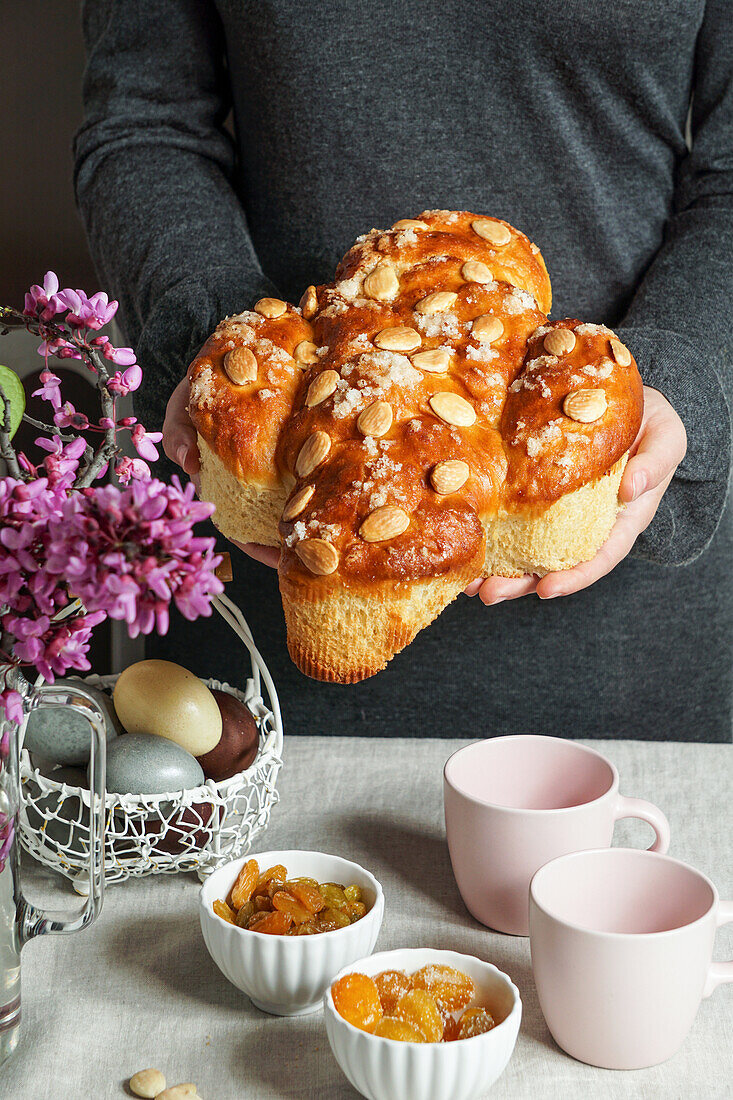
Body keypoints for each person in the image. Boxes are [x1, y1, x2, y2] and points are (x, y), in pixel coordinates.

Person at [74, 1, 732, 742]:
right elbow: (145, 124)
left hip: (625, 547)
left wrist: (677, 368)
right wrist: (214, 345)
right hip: (267, 585)